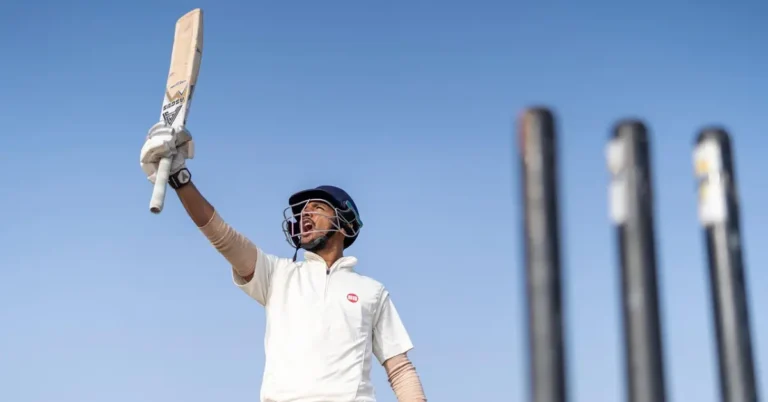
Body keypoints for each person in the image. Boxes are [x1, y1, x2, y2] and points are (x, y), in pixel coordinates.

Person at [139, 122, 427, 402]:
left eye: (317, 208)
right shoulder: (278, 275)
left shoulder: (371, 291)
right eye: (301, 211)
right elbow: (222, 236)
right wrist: (180, 179)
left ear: (344, 224)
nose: (304, 215)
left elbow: (400, 369)